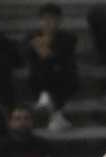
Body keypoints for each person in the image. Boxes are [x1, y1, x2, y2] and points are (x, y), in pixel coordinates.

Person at [25, 3, 78, 132]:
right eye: (45, 19)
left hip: (62, 78)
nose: (48, 23)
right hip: (37, 79)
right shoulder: (32, 37)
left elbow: (63, 60)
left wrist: (47, 52)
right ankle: (55, 112)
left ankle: (46, 98)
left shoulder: (68, 38)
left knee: (51, 66)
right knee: (41, 65)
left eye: (52, 19)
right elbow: (27, 57)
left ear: (59, 21)